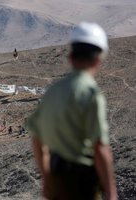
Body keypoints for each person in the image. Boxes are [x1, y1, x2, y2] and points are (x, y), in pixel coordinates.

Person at [27, 22, 117, 200]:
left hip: (57, 179)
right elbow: (99, 147)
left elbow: (36, 138)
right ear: (98, 59)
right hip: (82, 183)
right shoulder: (90, 93)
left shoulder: (53, 91)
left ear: (70, 57)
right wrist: (112, 193)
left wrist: (47, 180)